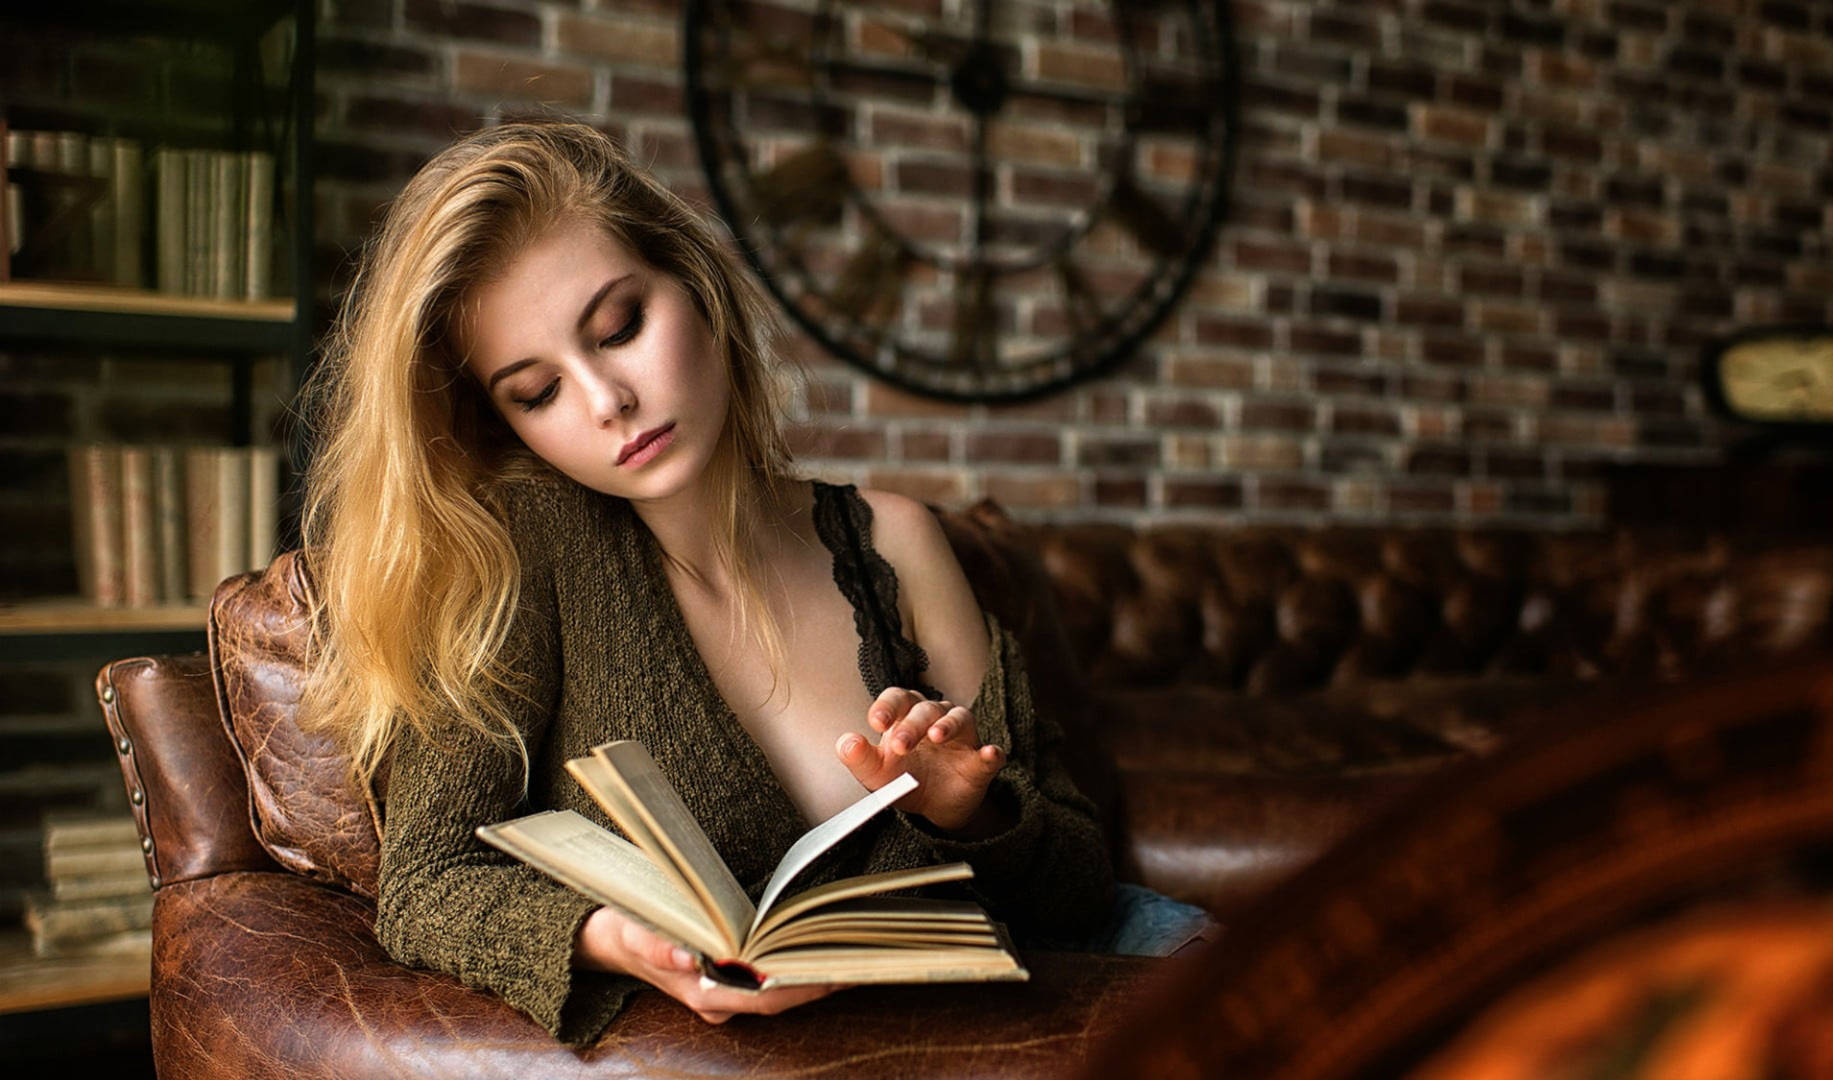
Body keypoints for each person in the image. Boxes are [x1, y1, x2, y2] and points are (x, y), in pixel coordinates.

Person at [297, 120, 1212, 1047]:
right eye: (536, 392)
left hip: (1084, 1001)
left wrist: (968, 812)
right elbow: (428, 880)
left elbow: (1082, 889)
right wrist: (616, 937)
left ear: (694, 286)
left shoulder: (893, 540)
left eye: (619, 329)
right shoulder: (524, 556)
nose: (606, 400)